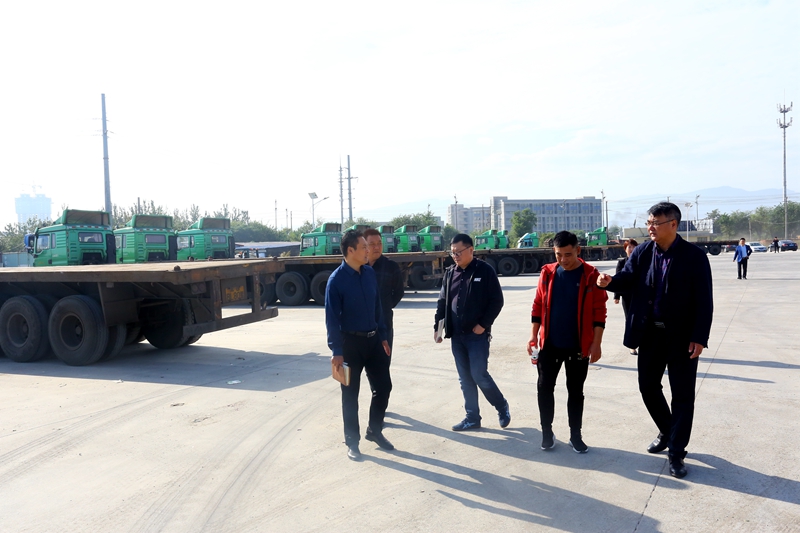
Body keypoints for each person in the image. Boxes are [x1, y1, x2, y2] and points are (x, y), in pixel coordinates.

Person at [597, 202, 713, 479]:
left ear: (673, 224)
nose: (650, 228)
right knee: (648, 387)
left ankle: (676, 452)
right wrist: (610, 282)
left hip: (682, 337)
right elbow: (627, 279)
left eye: (655, 223)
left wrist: (699, 337)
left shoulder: (694, 256)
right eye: (648, 222)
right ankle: (668, 430)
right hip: (649, 334)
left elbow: (704, 301)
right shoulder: (642, 252)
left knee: (682, 396)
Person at [528, 231, 607, 453]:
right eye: (558, 254)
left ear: (578, 250)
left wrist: (596, 343)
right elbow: (537, 304)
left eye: (568, 254)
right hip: (549, 345)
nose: (563, 259)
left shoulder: (591, 275)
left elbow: (599, 312)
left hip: (578, 346)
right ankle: (546, 433)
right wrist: (533, 335)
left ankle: (575, 435)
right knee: (544, 388)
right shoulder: (547, 273)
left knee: (576, 391)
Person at [325, 229, 393, 461]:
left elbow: (377, 307)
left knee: (383, 387)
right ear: (350, 250)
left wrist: (383, 336)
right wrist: (336, 351)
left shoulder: (369, 273)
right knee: (350, 394)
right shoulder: (336, 281)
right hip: (350, 344)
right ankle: (352, 443)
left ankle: (374, 430)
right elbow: (332, 319)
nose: (368, 251)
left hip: (373, 340)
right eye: (364, 247)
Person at [434, 233, 510, 432]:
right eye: (452, 253)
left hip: (476, 336)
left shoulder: (485, 271)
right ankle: (472, 417)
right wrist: (437, 327)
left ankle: (501, 405)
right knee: (465, 379)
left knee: (479, 375)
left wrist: (483, 324)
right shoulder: (450, 273)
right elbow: (442, 302)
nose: (455, 256)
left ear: (471, 250)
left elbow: (497, 301)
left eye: (459, 252)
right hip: (456, 335)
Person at [364, 228, 405, 353]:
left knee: (383, 362)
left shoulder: (391, 266)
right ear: (364, 246)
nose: (377, 247)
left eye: (379, 243)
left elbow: (399, 292)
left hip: (384, 325)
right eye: (372, 244)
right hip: (361, 328)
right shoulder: (359, 267)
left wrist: (385, 306)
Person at [613, 239, 638, 355]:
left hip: (640, 295)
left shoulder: (641, 261)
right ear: (625, 249)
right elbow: (618, 279)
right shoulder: (622, 263)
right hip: (627, 296)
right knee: (629, 320)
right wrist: (616, 295)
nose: (631, 249)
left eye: (633, 247)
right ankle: (632, 345)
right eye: (629, 247)